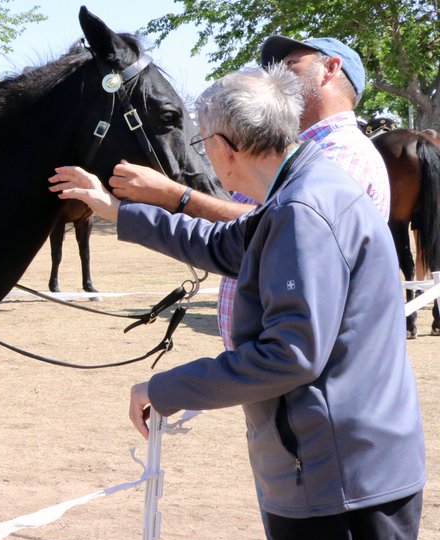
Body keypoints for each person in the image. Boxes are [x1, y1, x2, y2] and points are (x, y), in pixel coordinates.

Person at [51, 65, 425, 540]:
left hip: (338, 486)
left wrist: (165, 388)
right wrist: (116, 211)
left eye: (203, 143)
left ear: (226, 148)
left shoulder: (302, 211)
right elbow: (224, 244)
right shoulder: (304, 189)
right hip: (350, 472)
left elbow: (291, 353)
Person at [106, 36, 389, 350]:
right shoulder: (305, 155)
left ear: (331, 69)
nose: (276, 75)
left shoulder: (340, 154)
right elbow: (232, 238)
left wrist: (174, 195)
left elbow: (268, 226)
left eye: (290, 64)